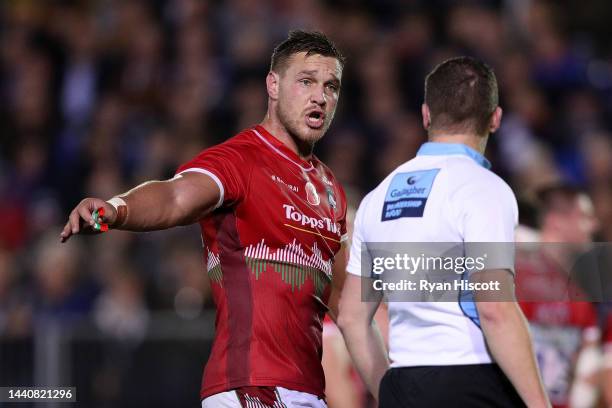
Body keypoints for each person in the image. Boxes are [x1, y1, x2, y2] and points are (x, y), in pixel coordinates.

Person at [60, 30, 349, 408]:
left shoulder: (332, 190)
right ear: (273, 85)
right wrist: (113, 211)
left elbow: (348, 306)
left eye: (331, 87)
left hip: (310, 392)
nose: (320, 97)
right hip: (250, 388)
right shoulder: (241, 159)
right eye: (307, 81)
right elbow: (175, 197)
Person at [337, 57, 550, 407]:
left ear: (425, 115)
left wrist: (389, 392)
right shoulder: (484, 190)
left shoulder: (378, 198)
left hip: (405, 381)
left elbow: (350, 318)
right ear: (495, 119)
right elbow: (495, 310)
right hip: (474, 381)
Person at [515, 184, 601, 408]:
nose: (594, 224)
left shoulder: (582, 294)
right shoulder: (517, 272)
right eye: (583, 215)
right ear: (556, 220)